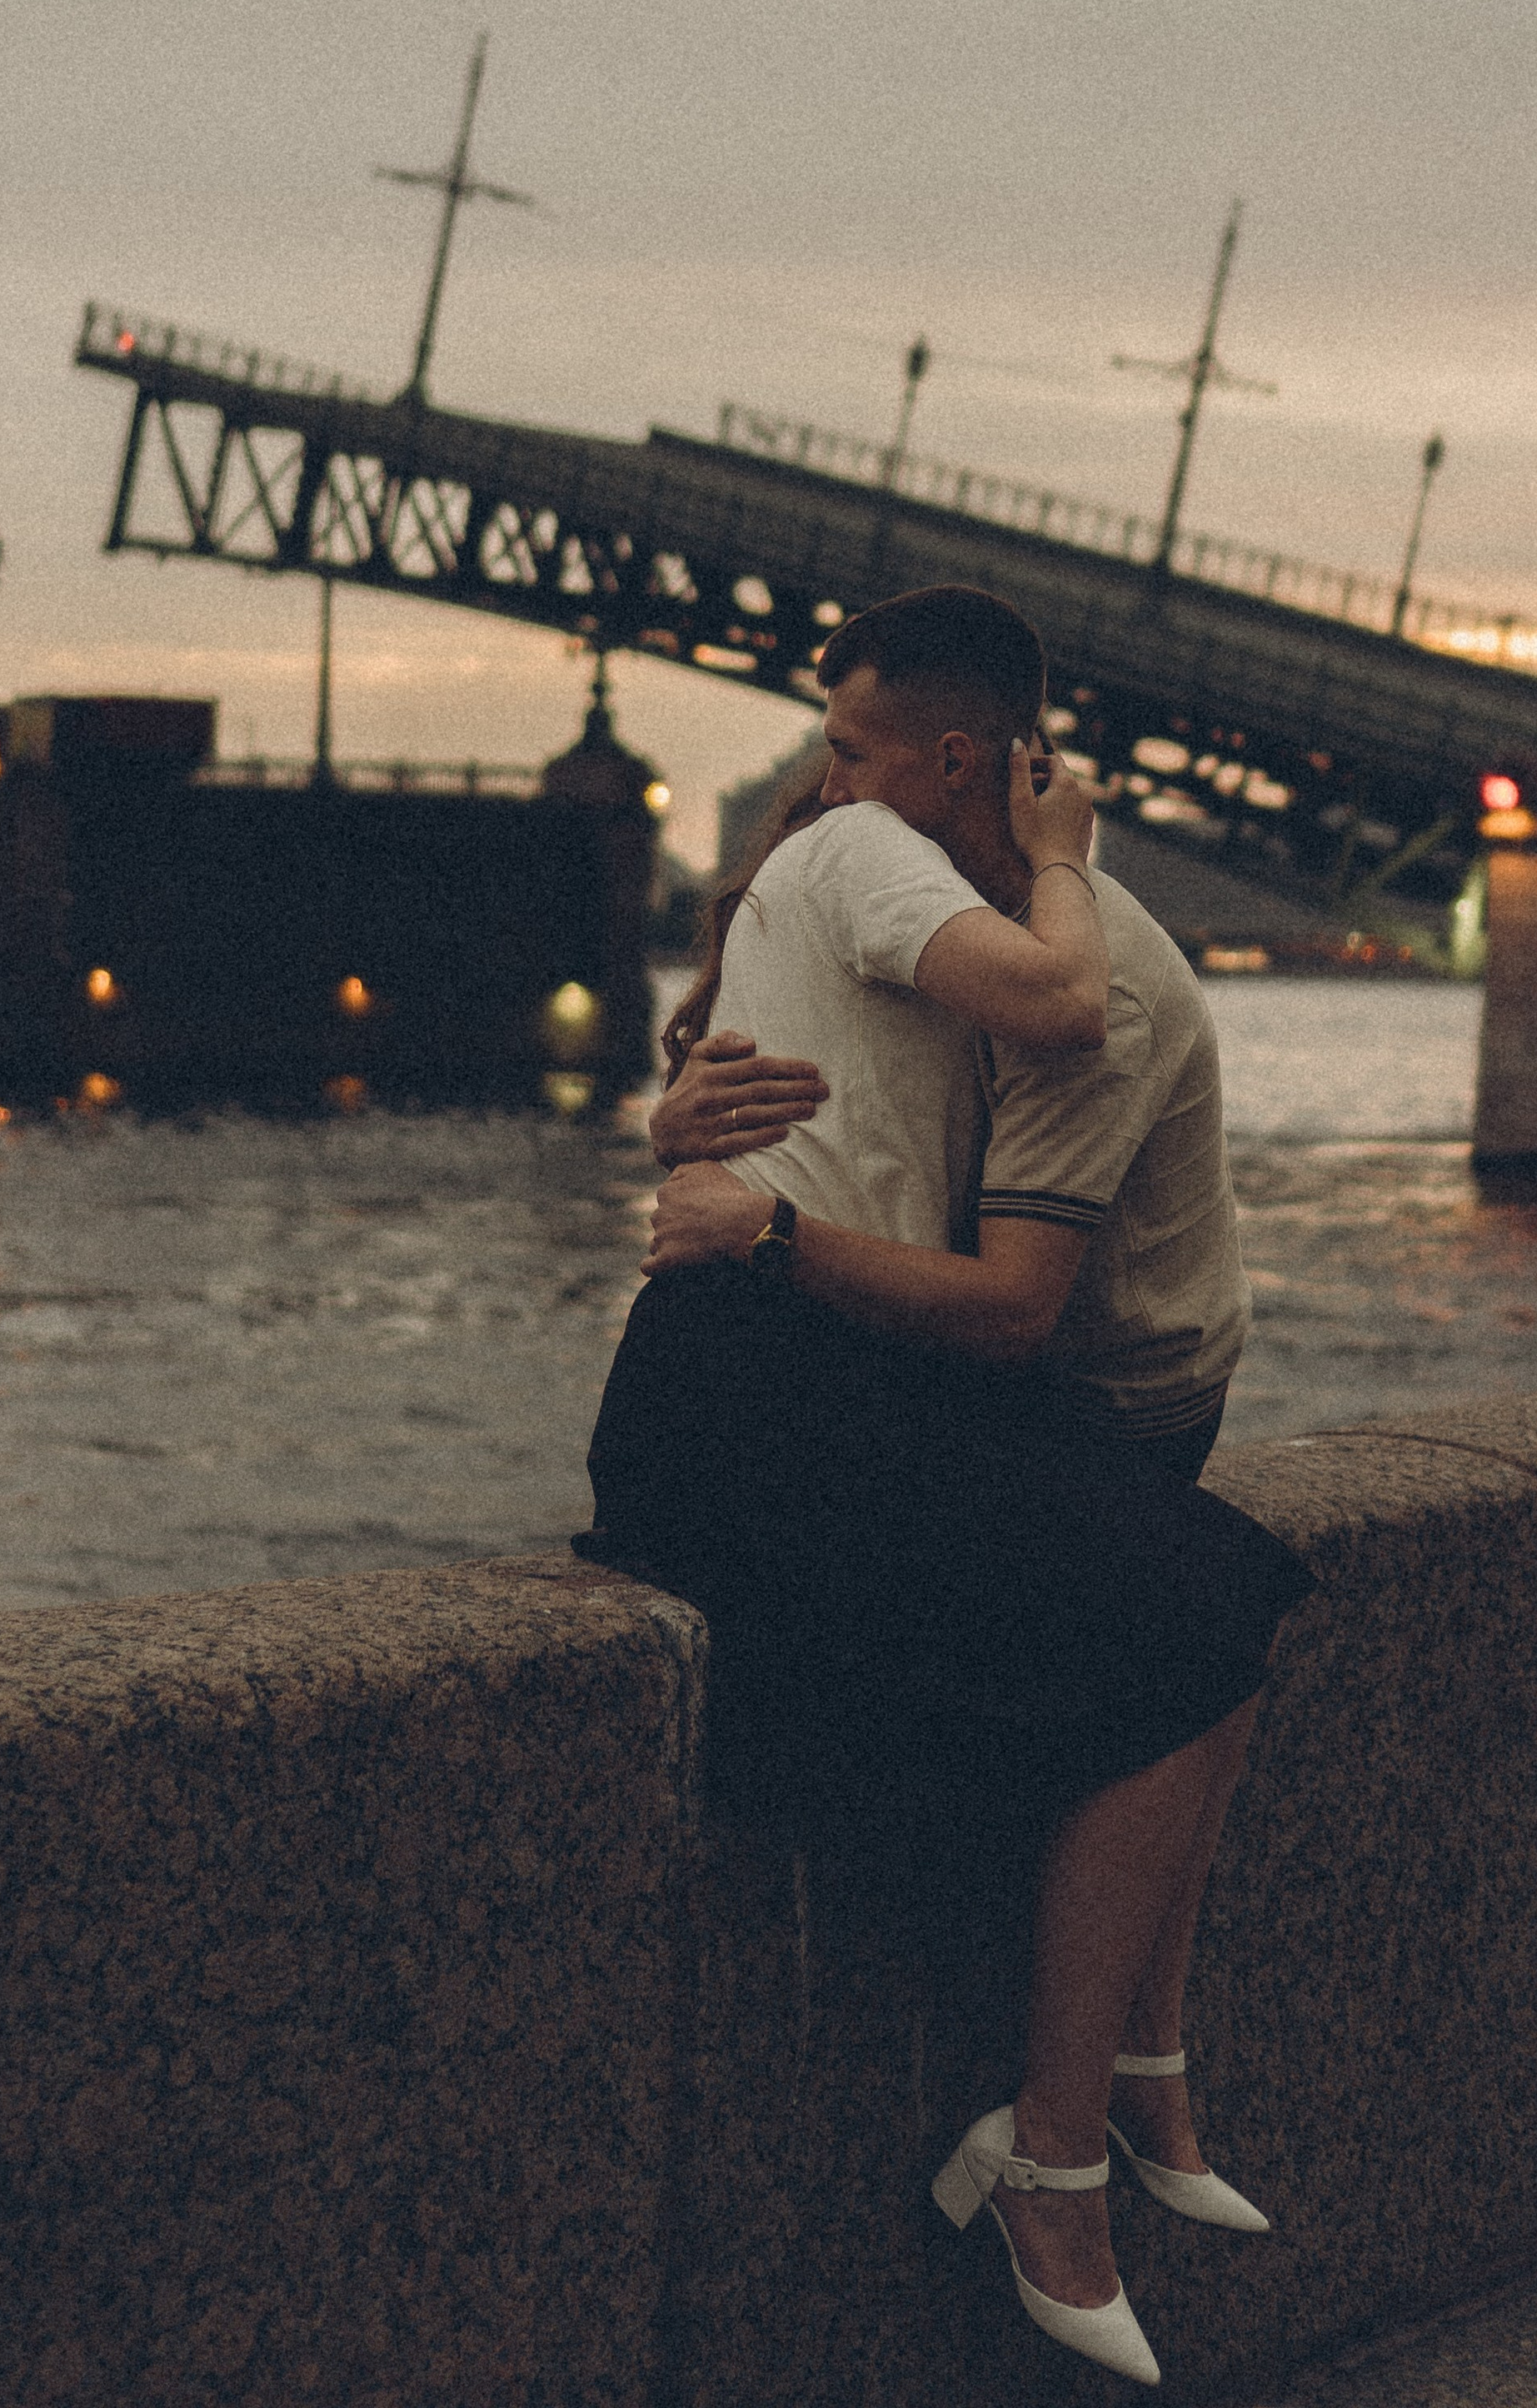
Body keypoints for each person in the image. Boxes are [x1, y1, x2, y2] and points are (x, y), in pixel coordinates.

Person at [578, 588, 1310, 2385]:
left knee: (1218, 1605)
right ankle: (1068, 2144)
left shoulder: (934, 897)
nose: (811, 782)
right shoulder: (857, 862)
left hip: (817, 1373)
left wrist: (723, 1185)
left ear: (950, 762)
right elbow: (935, 1042)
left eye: (842, 747)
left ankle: (1100, 2109)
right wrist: (716, 1179)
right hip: (767, 1385)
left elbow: (1052, 1019)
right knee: (1202, 1620)